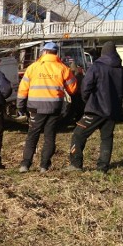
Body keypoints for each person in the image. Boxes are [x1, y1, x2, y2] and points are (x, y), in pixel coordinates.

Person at [68, 41, 123, 173]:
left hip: (95, 109)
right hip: (112, 110)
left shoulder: (96, 67)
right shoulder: (122, 70)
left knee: (78, 134)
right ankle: (102, 168)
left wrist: (87, 101)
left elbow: (86, 86)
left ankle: (76, 164)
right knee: (106, 138)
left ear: (103, 52)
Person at [16, 41, 78, 173]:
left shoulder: (33, 67)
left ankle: (25, 165)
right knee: (49, 137)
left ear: (44, 52)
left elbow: (22, 89)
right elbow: (72, 89)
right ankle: (44, 166)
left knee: (32, 135)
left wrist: (20, 107)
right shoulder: (63, 68)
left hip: (35, 108)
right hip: (54, 108)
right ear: (56, 53)